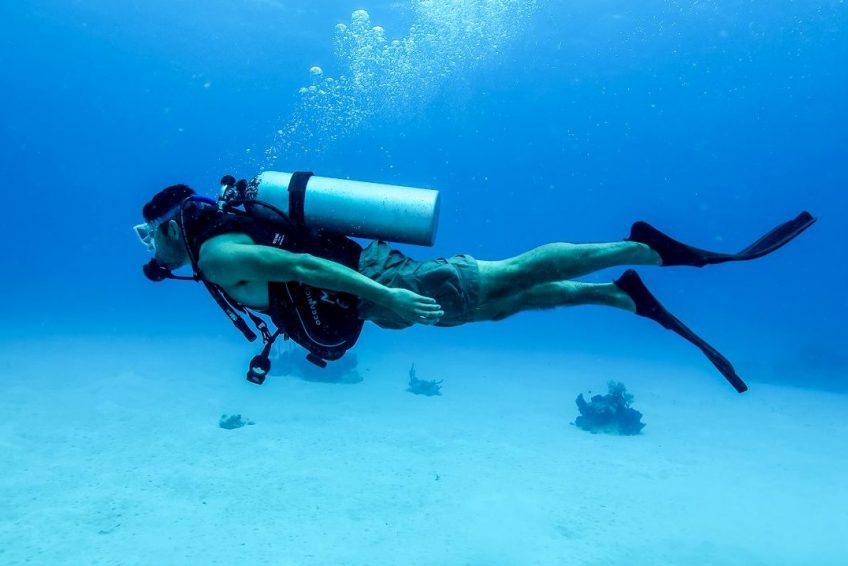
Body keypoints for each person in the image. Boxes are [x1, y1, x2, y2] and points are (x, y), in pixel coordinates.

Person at [135, 181, 815, 392]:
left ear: (171, 227)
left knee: (505, 275)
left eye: (149, 236)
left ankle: (643, 248)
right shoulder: (216, 251)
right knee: (490, 309)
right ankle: (621, 294)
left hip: (380, 284)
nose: (151, 249)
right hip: (372, 297)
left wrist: (392, 295)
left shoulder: (218, 254)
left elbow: (308, 270)